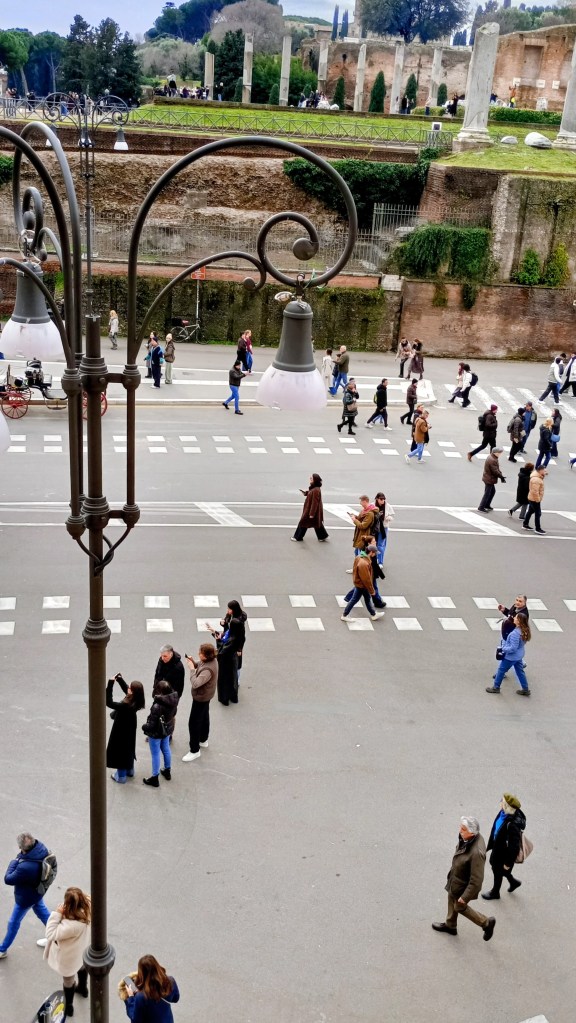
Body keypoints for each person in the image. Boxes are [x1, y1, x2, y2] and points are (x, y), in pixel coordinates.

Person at [431, 816, 495, 942]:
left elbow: (476, 880)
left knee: (459, 906)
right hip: (457, 880)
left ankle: (486, 923)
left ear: (472, 832)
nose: (460, 830)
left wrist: (464, 897)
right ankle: (451, 925)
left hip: (463, 886)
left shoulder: (477, 853)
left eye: (463, 829)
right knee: (451, 897)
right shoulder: (469, 838)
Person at [0, 833, 53, 957]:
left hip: (26, 898)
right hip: (37, 893)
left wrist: (14, 861)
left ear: (22, 848)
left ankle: (2, 950)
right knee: (44, 914)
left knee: (13, 922)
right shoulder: (41, 850)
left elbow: (8, 879)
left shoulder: (25, 867)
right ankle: (55, 938)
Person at [43, 887, 90, 1018]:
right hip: (82, 949)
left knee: (68, 981)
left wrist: (57, 914)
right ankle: (83, 988)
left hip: (69, 957)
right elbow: (88, 897)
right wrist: (77, 896)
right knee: (82, 965)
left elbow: (50, 933)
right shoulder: (88, 909)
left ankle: (69, 1007)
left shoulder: (69, 926)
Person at [482, 794, 526, 900]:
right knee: (497, 867)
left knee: (497, 870)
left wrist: (508, 863)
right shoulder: (503, 813)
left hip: (503, 854)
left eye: (502, 802)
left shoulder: (512, 825)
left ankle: (495, 892)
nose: (500, 803)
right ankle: (513, 882)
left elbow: (514, 848)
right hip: (498, 847)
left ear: (507, 806)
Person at [182, 643, 218, 762]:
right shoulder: (211, 661)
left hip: (201, 697)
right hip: (206, 696)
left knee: (194, 723)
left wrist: (192, 669)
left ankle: (194, 750)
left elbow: (196, 683)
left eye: (200, 653)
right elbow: (201, 664)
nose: (199, 654)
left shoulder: (208, 670)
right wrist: (194, 661)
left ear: (206, 656)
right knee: (204, 717)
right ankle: (203, 739)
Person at [106, 675, 146, 783]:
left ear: (132, 692)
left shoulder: (125, 705)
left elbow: (108, 702)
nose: (128, 688)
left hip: (121, 727)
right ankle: (130, 770)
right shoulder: (137, 700)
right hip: (131, 725)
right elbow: (127, 690)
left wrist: (110, 684)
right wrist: (120, 680)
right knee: (129, 747)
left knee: (119, 749)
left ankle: (121, 776)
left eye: (130, 688)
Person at [141, 681, 178, 787]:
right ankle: (167, 770)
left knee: (155, 754)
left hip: (156, 733)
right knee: (166, 748)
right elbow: (174, 713)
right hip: (167, 729)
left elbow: (151, 725)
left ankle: (155, 778)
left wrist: (144, 727)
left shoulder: (157, 706)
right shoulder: (174, 700)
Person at [124, 954, 179, 1022]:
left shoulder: (141, 997)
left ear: (141, 973)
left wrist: (131, 997)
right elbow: (175, 998)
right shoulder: (170, 981)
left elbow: (135, 1019)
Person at [486, 613, 531, 696]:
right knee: (520, 672)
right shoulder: (524, 630)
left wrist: (503, 648)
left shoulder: (515, 634)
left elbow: (513, 648)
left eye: (516, 618)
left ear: (519, 621)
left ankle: (496, 687)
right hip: (519, 656)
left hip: (511, 657)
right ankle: (525, 689)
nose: (514, 618)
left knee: (501, 670)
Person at [340, 545, 385, 622]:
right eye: (375, 553)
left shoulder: (360, 557)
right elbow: (366, 579)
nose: (376, 554)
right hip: (362, 585)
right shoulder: (364, 563)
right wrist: (372, 591)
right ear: (371, 552)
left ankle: (373, 614)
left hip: (360, 583)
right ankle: (345, 615)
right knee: (354, 600)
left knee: (367, 599)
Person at [213, 599, 248, 685]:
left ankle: (237, 680)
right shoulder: (230, 615)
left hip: (236, 642)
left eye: (229, 609)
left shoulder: (239, 621)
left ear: (234, 609)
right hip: (228, 638)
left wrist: (239, 649)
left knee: (237, 662)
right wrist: (223, 623)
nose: (227, 611)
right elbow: (226, 624)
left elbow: (241, 637)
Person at [292, 474, 329, 541]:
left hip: (310, 511)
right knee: (317, 523)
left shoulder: (316, 490)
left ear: (315, 480)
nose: (310, 479)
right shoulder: (315, 488)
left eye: (311, 479)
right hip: (313, 511)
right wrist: (305, 493)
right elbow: (310, 493)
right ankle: (322, 536)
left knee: (303, 522)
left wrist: (311, 514)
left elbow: (315, 503)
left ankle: (298, 537)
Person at [477, 447, 506, 512]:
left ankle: (487, 505)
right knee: (487, 493)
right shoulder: (493, 460)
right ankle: (481, 507)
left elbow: (496, 469)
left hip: (487, 477)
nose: (500, 454)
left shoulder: (492, 457)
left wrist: (501, 476)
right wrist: (501, 477)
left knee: (492, 492)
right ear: (495, 453)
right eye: (499, 452)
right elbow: (495, 471)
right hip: (489, 479)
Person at [523, 466, 547, 534]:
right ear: (540, 471)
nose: (545, 472)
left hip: (532, 498)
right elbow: (535, 491)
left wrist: (544, 475)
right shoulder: (536, 480)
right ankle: (538, 528)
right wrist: (538, 499)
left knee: (530, 511)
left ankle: (525, 524)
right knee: (538, 513)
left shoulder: (537, 477)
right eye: (544, 471)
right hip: (534, 499)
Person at [373, 491, 393, 567]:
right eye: (381, 499)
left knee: (381, 545)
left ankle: (380, 562)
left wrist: (387, 518)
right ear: (377, 499)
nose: (382, 501)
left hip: (383, 527)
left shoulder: (387, 506)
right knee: (374, 543)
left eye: (383, 499)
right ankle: (375, 558)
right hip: (374, 527)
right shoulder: (373, 505)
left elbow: (392, 516)